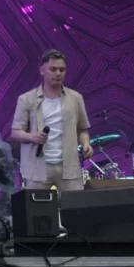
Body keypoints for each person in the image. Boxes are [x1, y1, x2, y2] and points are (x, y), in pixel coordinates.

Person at [11, 49, 92, 192]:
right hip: (38, 168)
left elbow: (83, 129)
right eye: (53, 69)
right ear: (42, 70)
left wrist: (86, 143)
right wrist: (33, 137)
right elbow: (16, 133)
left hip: (69, 167)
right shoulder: (26, 99)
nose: (58, 73)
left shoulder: (76, 98)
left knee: (75, 205)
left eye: (62, 70)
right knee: (37, 206)